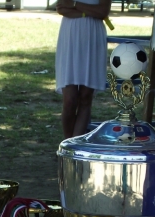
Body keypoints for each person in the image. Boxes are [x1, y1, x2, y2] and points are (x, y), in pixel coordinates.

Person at [55, 0, 112, 139]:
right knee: (69, 100)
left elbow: (102, 11)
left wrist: (75, 5)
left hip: (93, 37)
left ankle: (76, 144)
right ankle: (67, 144)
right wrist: (90, 11)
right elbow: (61, 8)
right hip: (70, 37)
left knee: (86, 97)